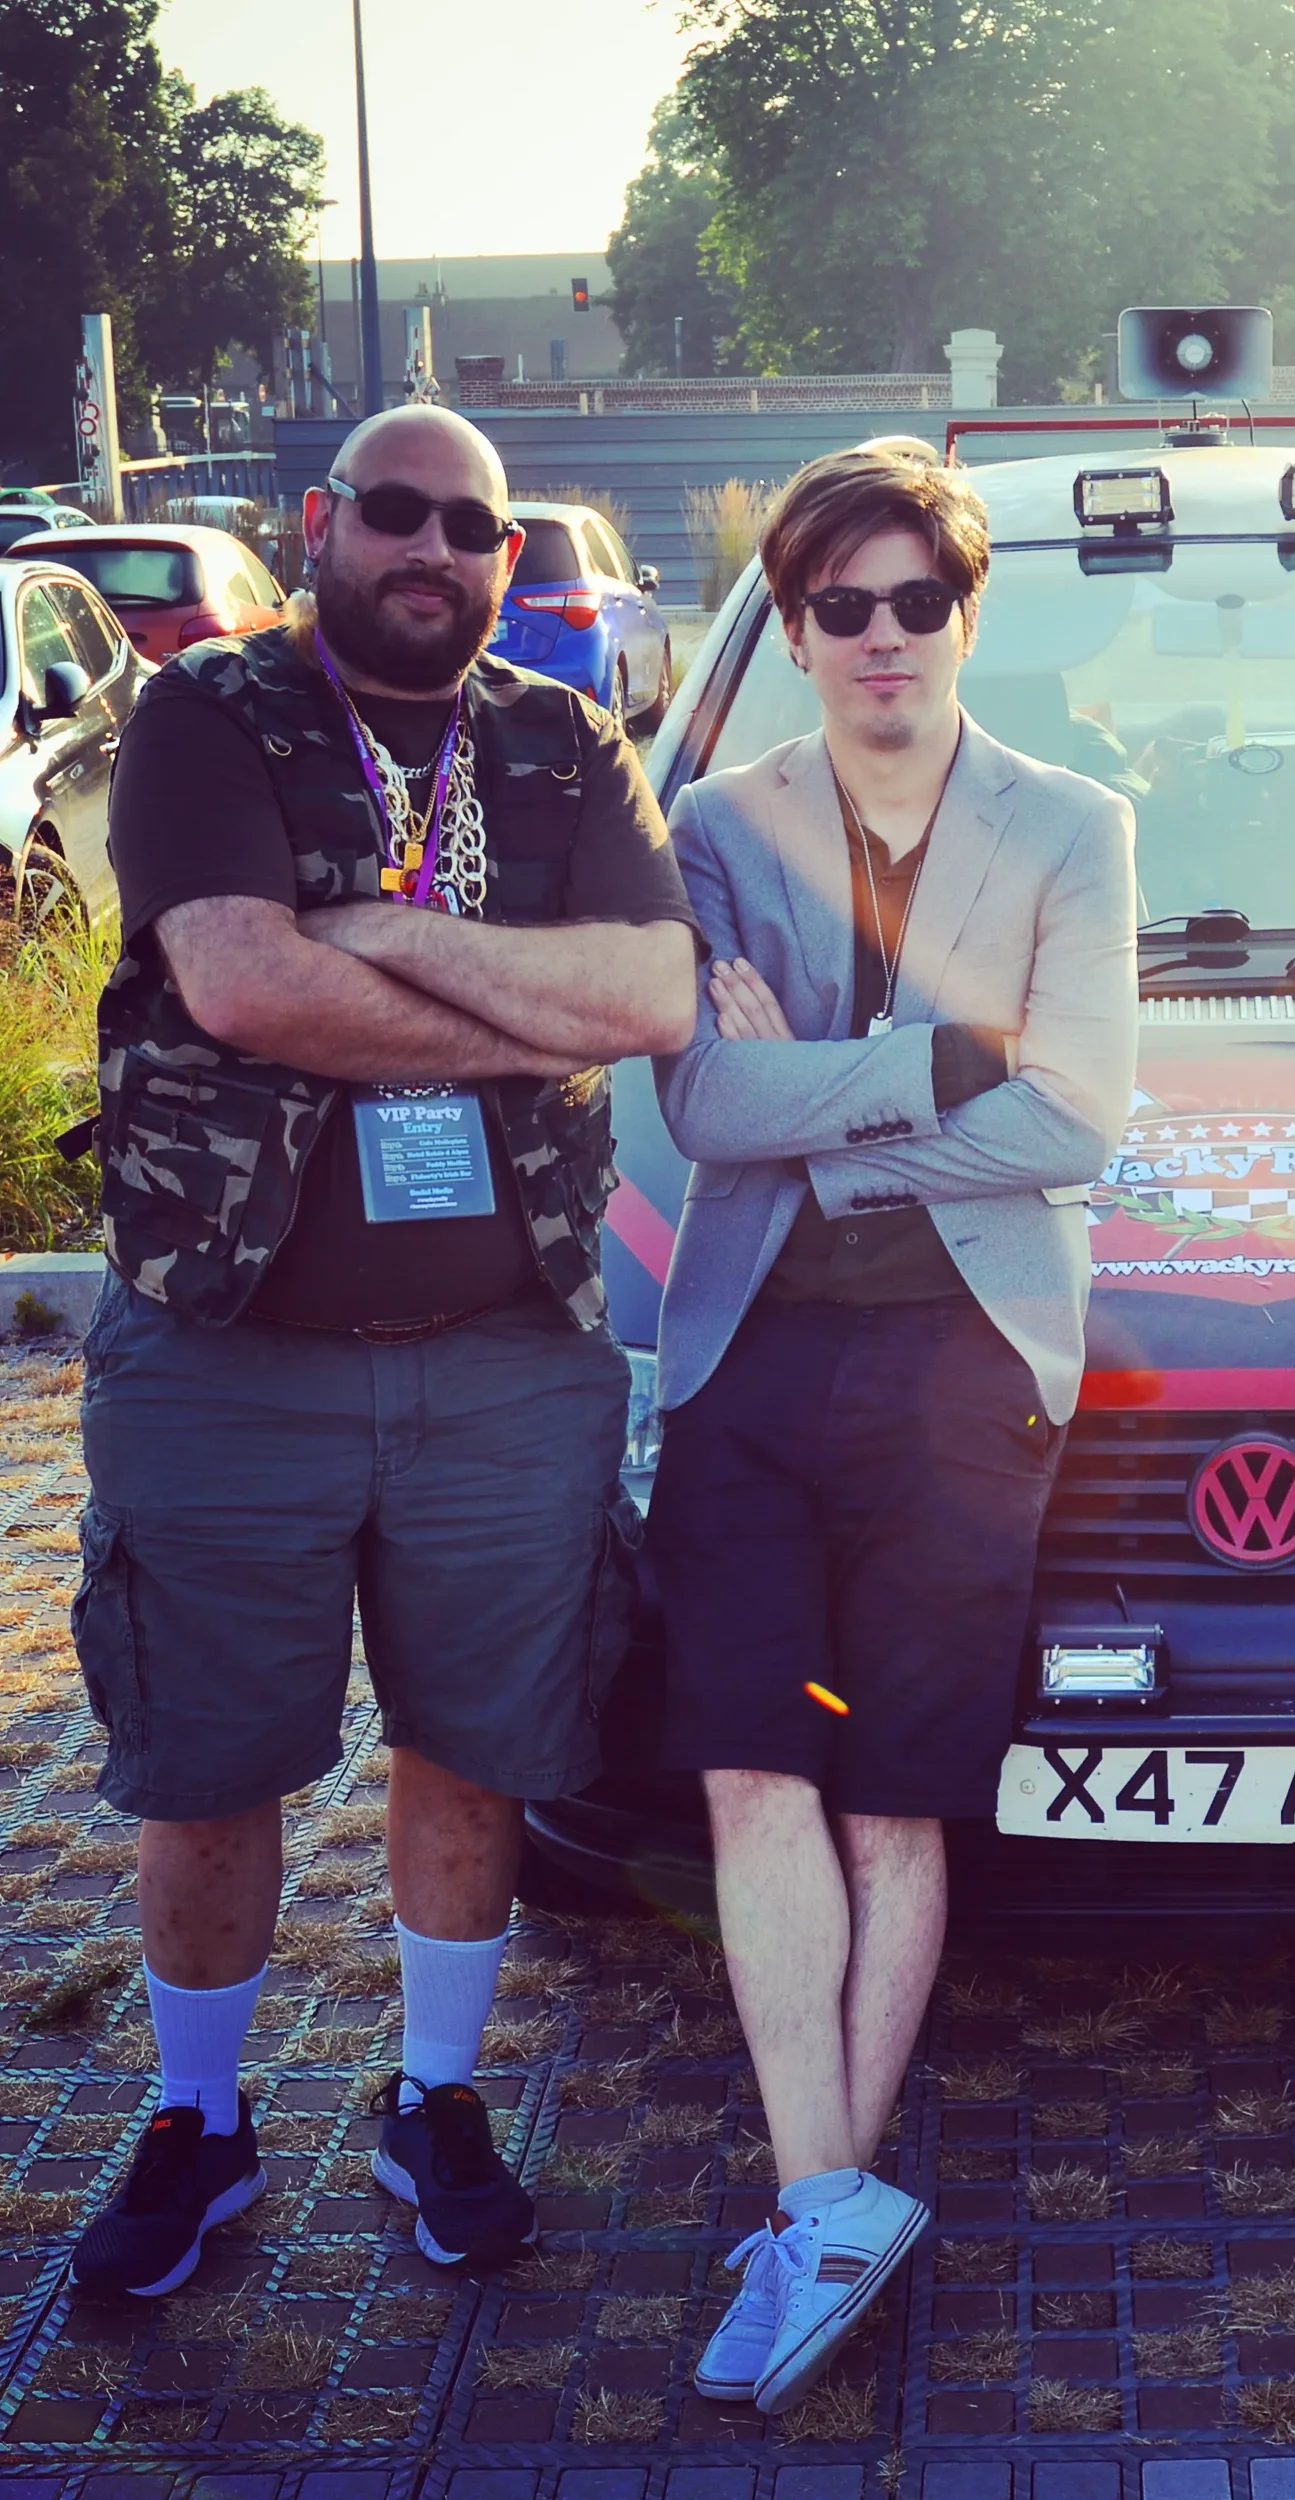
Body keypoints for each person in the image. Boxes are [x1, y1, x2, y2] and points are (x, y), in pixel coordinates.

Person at [66, 403, 701, 2297]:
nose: (433, 550)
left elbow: (653, 992)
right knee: (210, 1761)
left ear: (510, 558)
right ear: (326, 524)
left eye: (473, 527)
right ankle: (201, 2122)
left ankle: (435, 2097)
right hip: (225, 1346)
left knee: (475, 1749)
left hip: (507, 1353)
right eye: (397, 515)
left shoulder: (557, 735)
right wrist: (519, 1006)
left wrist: (372, 932)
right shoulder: (213, 718)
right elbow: (242, 980)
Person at [646, 444, 1136, 2417]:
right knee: (750, 1772)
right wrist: (938, 1056)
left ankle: (820, 2212)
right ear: (787, 624)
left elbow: (1081, 1117)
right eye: (832, 605)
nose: (874, 637)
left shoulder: (1073, 820)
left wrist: (823, 1094)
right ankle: (826, 2192)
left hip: (962, 1359)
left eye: (910, 599)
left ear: (965, 607)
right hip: (748, 1357)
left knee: (892, 1791)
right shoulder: (710, 823)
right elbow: (697, 1109)